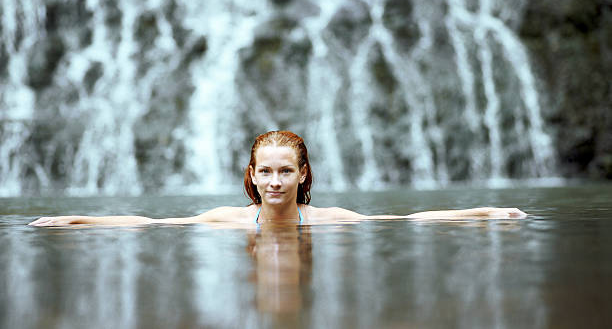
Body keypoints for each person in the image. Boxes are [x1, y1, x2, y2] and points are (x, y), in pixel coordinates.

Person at [29, 130, 527, 227]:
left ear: (302, 174)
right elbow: (145, 222)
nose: (274, 182)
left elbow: (408, 217)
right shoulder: (227, 220)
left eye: (285, 172)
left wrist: (484, 211)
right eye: (265, 172)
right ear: (250, 174)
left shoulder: (329, 219)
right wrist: (77, 218)